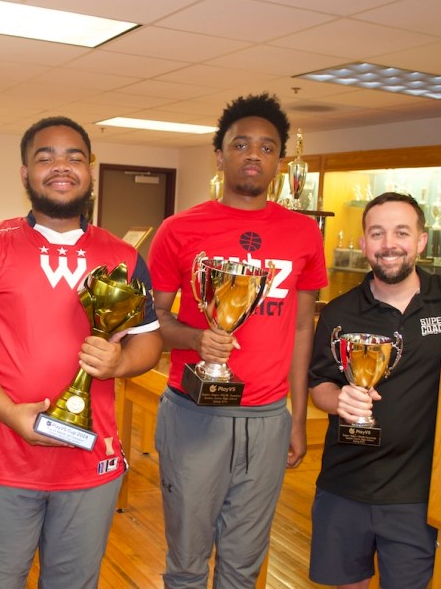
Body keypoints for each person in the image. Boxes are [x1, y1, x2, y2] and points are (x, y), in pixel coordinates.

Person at [0, 116, 162, 588]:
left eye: (75, 156)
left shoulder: (124, 256)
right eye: (46, 157)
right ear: (24, 173)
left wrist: (122, 362)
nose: (62, 166)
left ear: (90, 170)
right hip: (1, 460)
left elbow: (149, 341)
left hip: (91, 465)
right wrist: (12, 414)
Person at [147, 92, 328, 588]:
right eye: (241, 144)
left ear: (280, 161)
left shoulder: (303, 234)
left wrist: (296, 418)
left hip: (268, 420)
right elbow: (154, 319)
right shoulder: (178, 230)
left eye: (267, 147)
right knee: (186, 562)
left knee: (244, 567)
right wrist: (196, 336)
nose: (254, 154)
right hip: (194, 414)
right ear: (220, 154)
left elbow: (300, 328)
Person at [308, 191, 441, 588]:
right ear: (363, 244)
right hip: (344, 487)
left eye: (401, 232)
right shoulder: (339, 311)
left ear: (421, 241)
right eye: (377, 233)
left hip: (417, 494)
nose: (389, 245)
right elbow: (319, 385)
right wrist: (339, 400)